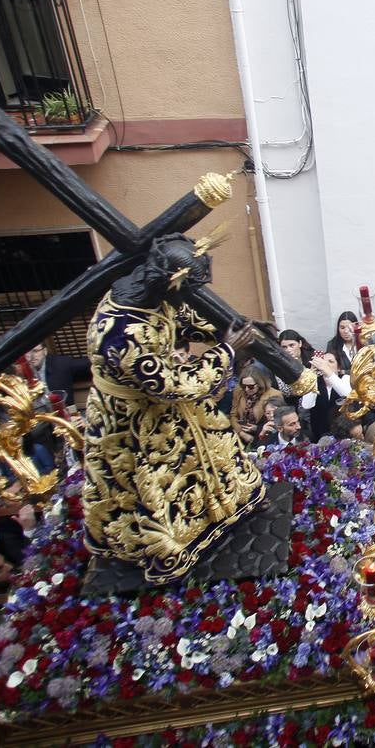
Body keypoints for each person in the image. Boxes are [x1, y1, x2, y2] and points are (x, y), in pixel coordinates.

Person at [81, 234, 283, 584]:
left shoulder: (153, 292)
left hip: (176, 409)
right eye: (190, 288)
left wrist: (233, 324)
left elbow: (183, 318)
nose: (192, 296)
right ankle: (168, 547)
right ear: (171, 281)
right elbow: (173, 383)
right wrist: (228, 351)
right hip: (134, 424)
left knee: (221, 452)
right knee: (155, 483)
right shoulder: (118, 332)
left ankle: (239, 501)